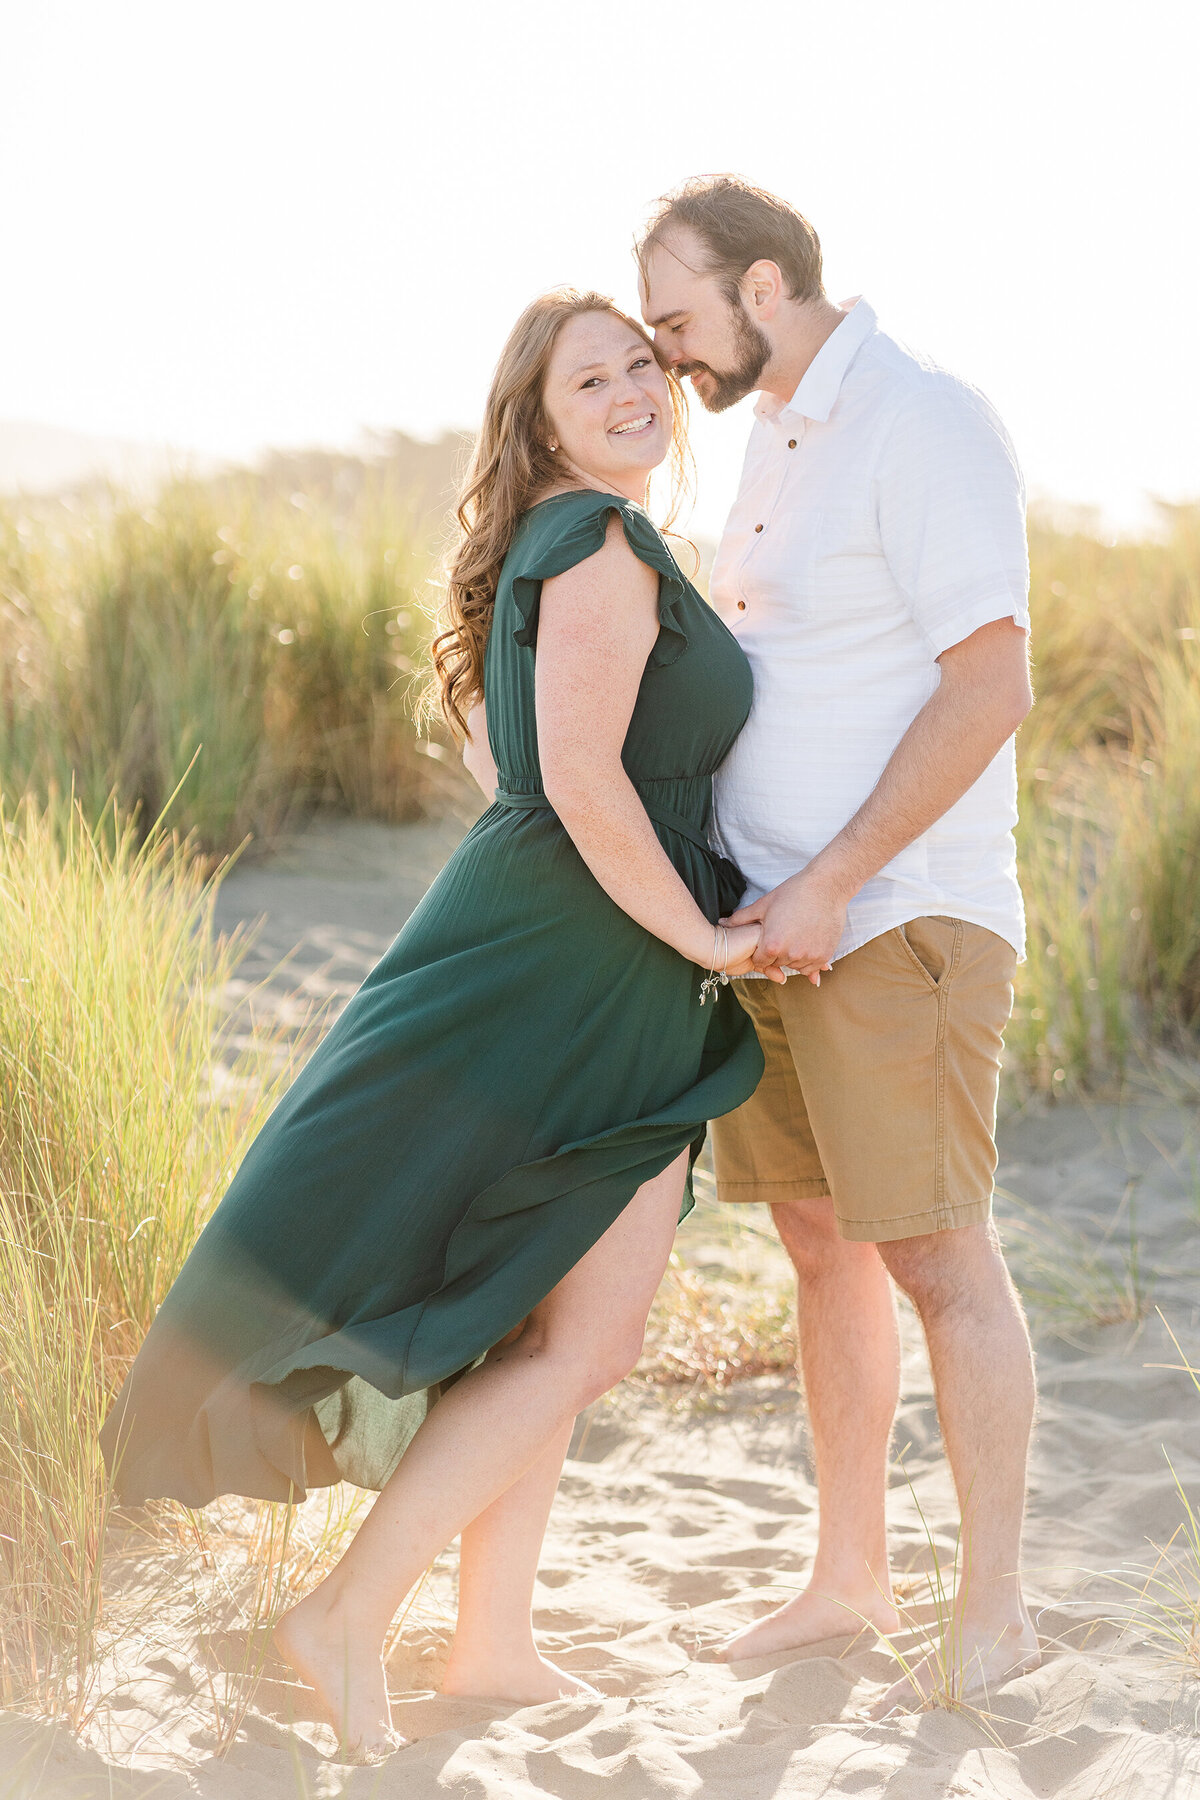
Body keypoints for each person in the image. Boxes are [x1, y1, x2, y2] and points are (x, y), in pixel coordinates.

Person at [100, 288, 777, 1760]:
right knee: (586, 1343)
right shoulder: (597, 540)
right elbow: (585, 789)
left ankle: (491, 1640)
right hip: (592, 970)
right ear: (537, 425)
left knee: (542, 1308)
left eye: (641, 365)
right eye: (587, 379)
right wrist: (706, 937)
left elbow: (511, 771)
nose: (629, 390)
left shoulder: (550, 548)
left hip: (555, 948)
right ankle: (347, 1618)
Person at [637, 176, 1040, 1710]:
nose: (669, 359)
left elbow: (987, 688)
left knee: (939, 1256)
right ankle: (849, 1580)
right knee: (820, 1246)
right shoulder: (771, 446)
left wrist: (835, 882)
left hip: (897, 915)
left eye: (679, 322)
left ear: (761, 285)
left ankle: (992, 1612)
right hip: (776, 931)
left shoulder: (923, 421)